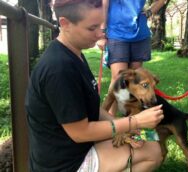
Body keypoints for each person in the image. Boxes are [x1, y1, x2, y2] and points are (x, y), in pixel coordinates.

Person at [25, 0, 164, 171]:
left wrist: (122, 127)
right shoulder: (59, 68)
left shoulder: (72, 54)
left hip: (74, 151)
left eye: (101, 25)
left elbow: (88, 109)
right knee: (153, 152)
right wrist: (133, 122)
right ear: (64, 23)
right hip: (65, 165)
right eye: (92, 28)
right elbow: (80, 132)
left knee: (149, 144)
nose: (100, 33)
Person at [97, 0, 166, 115]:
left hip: (140, 34)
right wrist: (102, 32)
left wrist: (149, 12)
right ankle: (109, 119)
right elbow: (105, 4)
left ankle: (132, 121)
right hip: (116, 33)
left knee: (134, 80)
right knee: (118, 78)